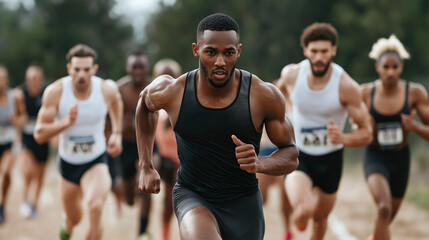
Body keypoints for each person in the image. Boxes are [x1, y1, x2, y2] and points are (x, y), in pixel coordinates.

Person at [135, 13, 299, 240]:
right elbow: (144, 105)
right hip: (193, 195)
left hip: (243, 202)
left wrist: (260, 163)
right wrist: (145, 165)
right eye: (211, 52)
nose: (220, 61)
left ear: (238, 51)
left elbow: (291, 154)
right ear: (196, 50)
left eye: (229, 53)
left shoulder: (263, 96)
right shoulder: (174, 91)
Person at [276, 22, 372, 240]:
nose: (319, 57)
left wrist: (343, 137)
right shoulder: (292, 75)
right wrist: (285, 111)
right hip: (299, 154)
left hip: (331, 158)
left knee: (320, 221)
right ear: (305, 51)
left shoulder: (347, 87)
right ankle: (299, 219)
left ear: (333, 51)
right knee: (304, 211)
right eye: (314, 51)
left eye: (324, 51)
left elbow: (367, 134)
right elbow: (274, 94)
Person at [34, 44, 123, 240]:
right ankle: (66, 225)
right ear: (69, 69)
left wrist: (116, 133)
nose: (81, 74)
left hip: (95, 160)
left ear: (94, 69)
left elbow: (117, 103)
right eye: (77, 69)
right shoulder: (55, 91)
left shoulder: (106, 90)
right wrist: (66, 122)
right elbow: (39, 134)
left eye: (86, 69)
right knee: (73, 219)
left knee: (95, 205)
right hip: (68, 164)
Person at [361, 35, 429, 240]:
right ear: (377, 67)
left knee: (387, 216)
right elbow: (356, 128)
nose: (391, 72)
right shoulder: (365, 93)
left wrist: (414, 126)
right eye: (386, 67)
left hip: (401, 159)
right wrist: (365, 127)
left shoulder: (415, 93)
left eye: (395, 67)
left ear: (401, 67)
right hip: (375, 156)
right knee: (383, 207)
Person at [114, 50, 154, 239]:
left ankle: (142, 233)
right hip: (126, 146)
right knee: (130, 198)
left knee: (146, 186)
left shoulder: (154, 87)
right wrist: (118, 128)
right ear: (127, 68)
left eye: (141, 67)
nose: (138, 71)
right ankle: (128, 196)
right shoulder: (119, 89)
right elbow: (109, 120)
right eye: (134, 67)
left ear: (147, 68)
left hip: (148, 143)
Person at [152, 58, 182, 240]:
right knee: (168, 201)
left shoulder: (185, 101)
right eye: (161, 77)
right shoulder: (152, 105)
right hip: (166, 159)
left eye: (170, 77)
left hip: (185, 159)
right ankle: (164, 233)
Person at [17, 64, 49, 219]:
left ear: (41, 79)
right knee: (27, 172)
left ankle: (34, 205)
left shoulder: (47, 94)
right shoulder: (20, 94)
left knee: (40, 176)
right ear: (27, 79)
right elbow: (15, 117)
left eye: (37, 78)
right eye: (31, 78)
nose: (34, 81)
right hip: (27, 140)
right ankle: (24, 201)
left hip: (43, 140)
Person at [0, 64, 26, 224]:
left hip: (9, 142)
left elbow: (23, 117)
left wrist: (17, 121)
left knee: (6, 172)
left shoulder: (14, 96)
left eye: (2, 79)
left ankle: (2, 206)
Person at [256, 126, 293, 240]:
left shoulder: (293, 109)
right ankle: (254, 230)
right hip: (264, 149)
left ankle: (288, 231)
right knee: (261, 198)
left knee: (285, 194)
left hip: (282, 151)